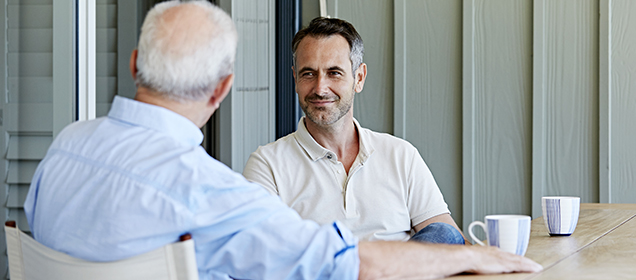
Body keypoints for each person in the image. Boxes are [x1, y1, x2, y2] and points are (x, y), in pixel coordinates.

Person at [23, 1, 541, 279]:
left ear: (136, 64)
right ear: (224, 88)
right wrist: (476, 256)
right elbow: (344, 265)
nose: (321, 88)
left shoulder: (65, 147)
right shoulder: (208, 190)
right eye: (307, 74)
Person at [243, 17, 467, 245]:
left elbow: (452, 242)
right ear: (295, 79)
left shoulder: (400, 155)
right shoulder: (267, 165)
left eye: (334, 73)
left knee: (445, 235)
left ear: (359, 78)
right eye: (308, 74)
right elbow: (262, 256)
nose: (320, 89)